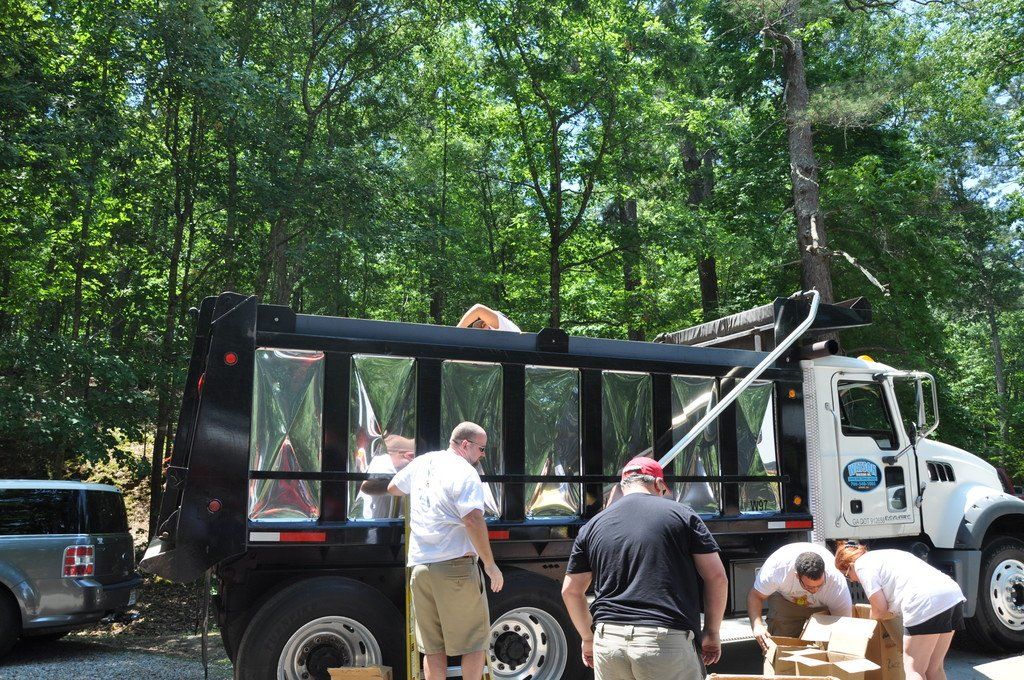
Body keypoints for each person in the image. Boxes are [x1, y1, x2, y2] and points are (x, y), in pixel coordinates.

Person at [561, 456, 728, 679]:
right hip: (663, 640)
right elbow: (717, 577)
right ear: (658, 484)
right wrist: (712, 631)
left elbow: (571, 591)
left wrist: (588, 638)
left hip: (609, 642)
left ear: (623, 486)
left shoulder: (593, 526)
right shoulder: (682, 515)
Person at [387, 422, 504, 680]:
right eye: (482, 448)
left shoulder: (424, 462)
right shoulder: (465, 471)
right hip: (456, 568)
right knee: (474, 643)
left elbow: (393, 488)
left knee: (432, 649)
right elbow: (473, 519)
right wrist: (490, 564)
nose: (483, 454)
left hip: (420, 568)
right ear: (465, 445)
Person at [834, 541, 966, 680]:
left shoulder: (861, 566)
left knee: (914, 670)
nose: (853, 581)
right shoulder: (887, 554)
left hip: (925, 602)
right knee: (934, 669)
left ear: (850, 566)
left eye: (848, 576)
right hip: (951, 595)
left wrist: (866, 629)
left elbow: (880, 609)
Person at [748, 542, 852, 650]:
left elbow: (843, 624)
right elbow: (755, 596)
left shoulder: (836, 582)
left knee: (827, 643)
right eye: (809, 587)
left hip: (822, 605)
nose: (814, 590)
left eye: (819, 585)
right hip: (785, 601)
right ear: (797, 576)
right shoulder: (777, 571)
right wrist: (757, 625)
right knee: (781, 645)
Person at [356, 435, 416, 519]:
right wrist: (404, 483)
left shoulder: (397, 465)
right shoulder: (384, 463)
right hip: (378, 525)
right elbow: (367, 487)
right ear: (410, 456)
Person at [457, 303, 522, 332]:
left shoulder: (506, 326)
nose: (481, 331)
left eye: (483, 325)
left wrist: (455, 332)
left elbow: (478, 309)